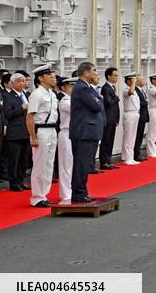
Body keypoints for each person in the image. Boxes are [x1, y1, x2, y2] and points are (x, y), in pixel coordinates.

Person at [70, 62, 106, 203]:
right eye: (94, 71)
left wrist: (98, 98)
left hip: (88, 131)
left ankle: (82, 191)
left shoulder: (87, 88)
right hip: (84, 132)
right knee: (81, 164)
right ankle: (78, 192)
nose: (96, 73)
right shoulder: (82, 88)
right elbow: (96, 106)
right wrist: (99, 99)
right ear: (86, 73)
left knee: (85, 164)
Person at [26, 64, 59, 207]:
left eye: (54, 76)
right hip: (41, 131)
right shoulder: (37, 94)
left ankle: (44, 195)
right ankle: (37, 197)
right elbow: (30, 117)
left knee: (48, 163)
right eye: (50, 76)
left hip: (52, 130)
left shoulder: (51, 93)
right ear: (41, 78)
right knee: (40, 164)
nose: (54, 79)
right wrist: (33, 136)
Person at [2, 72, 30, 192]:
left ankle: (21, 180)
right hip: (15, 133)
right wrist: (21, 108)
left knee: (24, 159)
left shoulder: (26, 95)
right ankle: (13, 182)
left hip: (26, 131)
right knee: (14, 159)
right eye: (19, 81)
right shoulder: (8, 96)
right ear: (12, 83)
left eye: (23, 81)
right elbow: (8, 114)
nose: (22, 83)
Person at [56, 76, 76, 205]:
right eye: (70, 87)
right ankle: (65, 194)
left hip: (75, 134)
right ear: (63, 88)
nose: (73, 89)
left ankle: (73, 191)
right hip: (66, 133)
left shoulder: (73, 100)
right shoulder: (64, 101)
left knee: (73, 164)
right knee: (66, 165)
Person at [98, 67, 121, 170]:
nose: (117, 77)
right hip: (108, 118)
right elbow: (109, 102)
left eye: (117, 75)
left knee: (110, 141)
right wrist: (116, 98)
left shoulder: (112, 87)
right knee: (106, 141)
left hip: (112, 118)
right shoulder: (106, 88)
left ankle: (108, 160)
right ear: (109, 76)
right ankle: (104, 162)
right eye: (115, 75)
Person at [120, 73, 141, 166]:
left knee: (132, 137)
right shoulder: (126, 89)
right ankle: (126, 157)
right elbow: (130, 92)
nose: (135, 81)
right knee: (128, 137)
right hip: (129, 114)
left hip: (135, 114)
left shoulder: (134, 90)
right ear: (129, 81)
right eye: (133, 79)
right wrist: (133, 83)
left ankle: (130, 157)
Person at [143, 73, 156, 158]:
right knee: (152, 131)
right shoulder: (151, 88)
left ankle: (153, 150)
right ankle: (150, 151)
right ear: (153, 80)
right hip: (153, 110)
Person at [133, 76, 150, 160]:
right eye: (142, 79)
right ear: (137, 81)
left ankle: (138, 153)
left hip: (143, 115)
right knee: (137, 136)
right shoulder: (135, 90)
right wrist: (146, 102)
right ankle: (136, 154)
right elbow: (139, 102)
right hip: (139, 116)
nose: (144, 81)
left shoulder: (141, 90)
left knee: (140, 135)